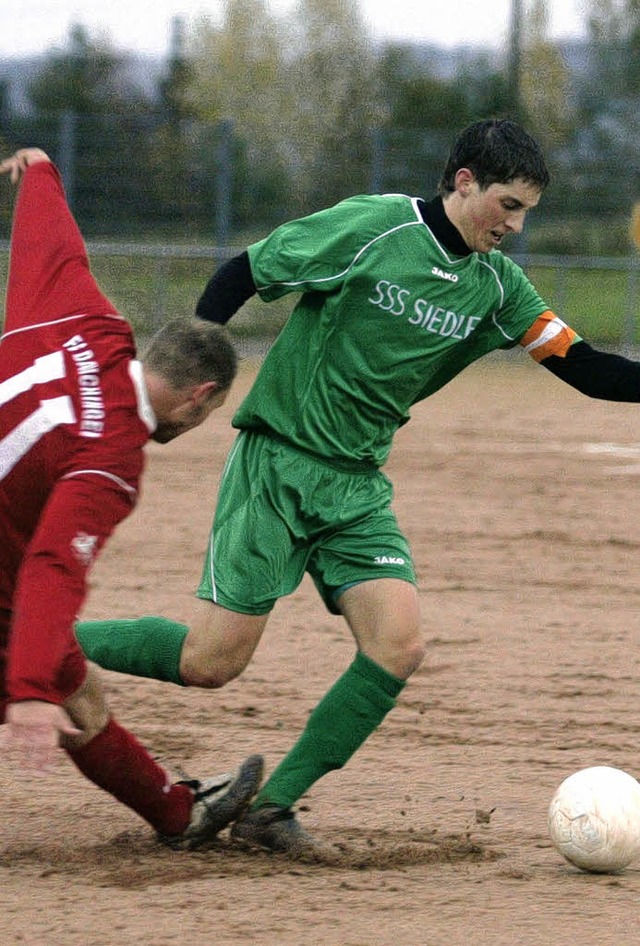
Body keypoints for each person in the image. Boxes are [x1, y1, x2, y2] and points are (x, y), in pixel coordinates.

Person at [75, 118, 640, 858]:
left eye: (527, 210)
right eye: (508, 204)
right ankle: (34, 642)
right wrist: (193, 369)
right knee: (210, 664)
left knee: (397, 645)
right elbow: (246, 270)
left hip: (356, 487)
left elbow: (586, 367)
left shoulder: (500, 288)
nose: (516, 224)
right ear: (463, 181)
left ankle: (269, 811)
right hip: (279, 462)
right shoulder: (374, 227)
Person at [0, 148, 263, 850]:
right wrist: (26, 687)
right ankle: (179, 815)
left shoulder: (88, 325)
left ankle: (177, 814)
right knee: (62, 691)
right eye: (205, 416)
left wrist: (44, 175)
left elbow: (53, 252)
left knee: (78, 686)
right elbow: (53, 565)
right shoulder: (111, 455)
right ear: (199, 397)